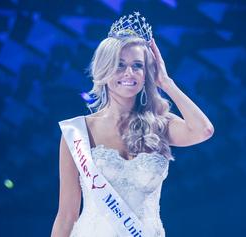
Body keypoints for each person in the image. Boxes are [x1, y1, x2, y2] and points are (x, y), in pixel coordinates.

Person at [51, 12, 214, 237]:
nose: (129, 73)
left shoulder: (160, 124)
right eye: (120, 65)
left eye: (137, 65)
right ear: (104, 69)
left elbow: (203, 130)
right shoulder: (78, 132)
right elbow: (67, 215)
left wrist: (166, 83)